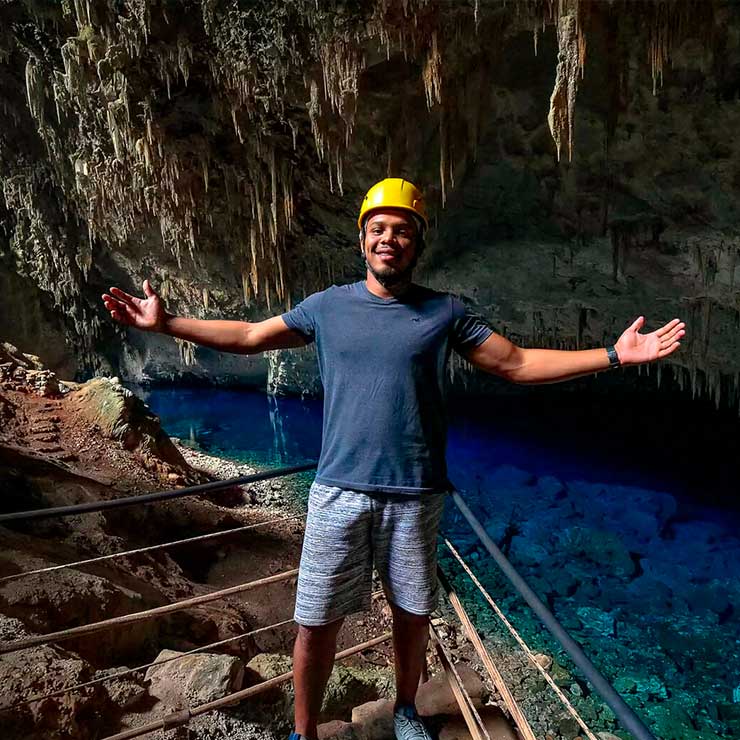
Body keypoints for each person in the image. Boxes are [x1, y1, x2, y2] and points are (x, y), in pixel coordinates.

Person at [102, 178, 685, 740]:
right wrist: (168, 323)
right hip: (338, 490)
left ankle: (407, 709)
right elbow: (251, 336)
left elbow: (516, 364)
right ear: (362, 240)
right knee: (315, 620)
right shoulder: (327, 307)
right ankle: (304, 732)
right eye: (378, 228)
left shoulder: (445, 313)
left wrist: (612, 354)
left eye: (402, 230)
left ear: (416, 243)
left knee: (412, 614)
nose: (389, 239)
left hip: (416, 492)